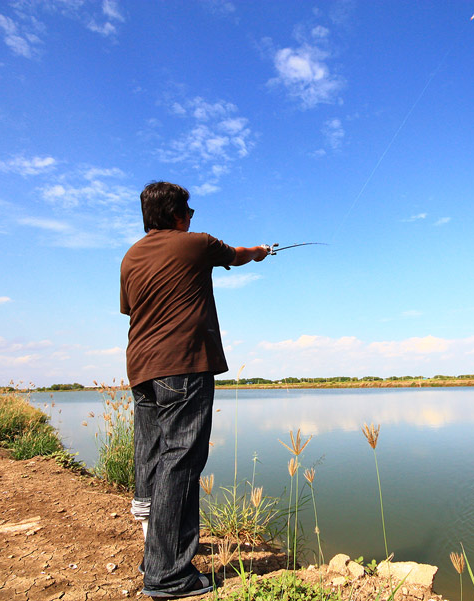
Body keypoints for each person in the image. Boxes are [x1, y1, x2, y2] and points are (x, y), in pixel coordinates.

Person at [120, 181, 268, 598]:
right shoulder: (196, 244)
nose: (192, 216)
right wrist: (261, 251)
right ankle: (168, 577)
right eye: (189, 210)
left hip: (141, 367)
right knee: (181, 461)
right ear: (174, 215)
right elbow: (238, 256)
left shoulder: (130, 256)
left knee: (153, 453)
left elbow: (132, 309)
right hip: (183, 363)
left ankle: (156, 552)